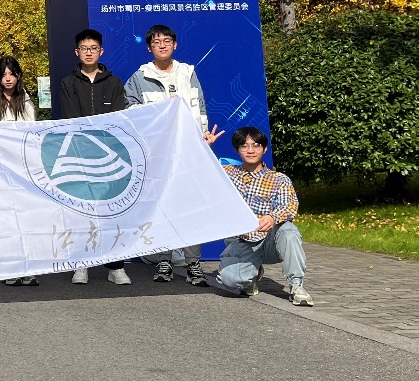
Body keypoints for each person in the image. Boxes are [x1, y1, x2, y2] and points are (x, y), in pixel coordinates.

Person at [124, 24, 219, 285]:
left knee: (191, 208)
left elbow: (199, 107)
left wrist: (203, 138)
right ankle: (163, 261)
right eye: (157, 42)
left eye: (167, 41)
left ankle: (193, 264)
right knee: (162, 207)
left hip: (189, 151)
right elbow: (131, 112)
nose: (162, 45)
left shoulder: (188, 72)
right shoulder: (139, 77)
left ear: (175, 45)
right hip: (158, 153)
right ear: (149, 48)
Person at [55, 29, 132, 286]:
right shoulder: (68, 83)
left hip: (110, 157)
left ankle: (116, 266)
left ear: (101, 51)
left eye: (94, 48)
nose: (89, 52)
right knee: (82, 212)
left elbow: (118, 119)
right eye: (84, 48)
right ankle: (81, 264)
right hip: (79, 157)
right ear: (77, 52)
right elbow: (71, 118)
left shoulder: (114, 83)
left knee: (113, 212)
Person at [217, 128, 313, 306]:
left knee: (289, 230)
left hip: (271, 240)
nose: (250, 150)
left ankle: (296, 286)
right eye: (244, 146)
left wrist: (272, 217)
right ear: (237, 150)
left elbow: (290, 206)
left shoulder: (279, 179)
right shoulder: (226, 173)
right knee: (230, 280)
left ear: (264, 149)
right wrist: (204, 146)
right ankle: (252, 274)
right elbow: (197, 173)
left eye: (256, 145)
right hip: (243, 240)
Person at [0, 55, 40, 287]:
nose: (8, 79)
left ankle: (29, 267)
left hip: (22, 168)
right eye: (3, 75)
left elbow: (31, 134)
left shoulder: (26, 102)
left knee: (26, 218)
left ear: (18, 76)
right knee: (6, 219)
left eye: (12, 74)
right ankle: (10, 267)